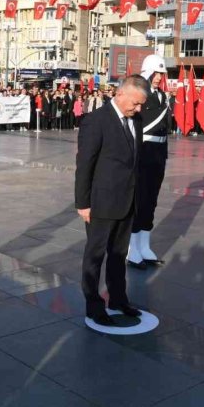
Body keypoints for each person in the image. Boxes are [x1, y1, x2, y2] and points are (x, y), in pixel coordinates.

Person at [75, 74, 149, 326]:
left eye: (141, 105)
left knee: (118, 255)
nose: (138, 109)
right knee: (95, 256)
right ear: (120, 94)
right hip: (101, 202)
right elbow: (84, 164)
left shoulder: (136, 120)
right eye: (135, 103)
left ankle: (118, 299)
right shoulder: (96, 121)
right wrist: (83, 203)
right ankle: (94, 306)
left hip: (127, 200)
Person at [127, 55, 170, 270]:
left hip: (159, 152)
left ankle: (145, 246)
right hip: (144, 150)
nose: (160, 77)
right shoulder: (141, 95)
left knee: (151, 200)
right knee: (139, 199)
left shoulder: (162, 96)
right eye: (157, 73)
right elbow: (138, 124)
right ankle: (132, 249)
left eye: (162, 74)